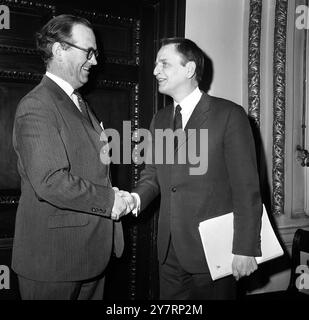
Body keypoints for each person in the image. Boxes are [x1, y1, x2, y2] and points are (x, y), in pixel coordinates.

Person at [116, 38, 263, 300]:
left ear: (189, 69)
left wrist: (245, 247)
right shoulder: (159, 119)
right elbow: (153, 175)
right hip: (169, 252)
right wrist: (133, 199)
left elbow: (246, 188)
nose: (154, 71)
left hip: (216, 252)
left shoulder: (229, 115)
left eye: (164, 63)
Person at [11, 14, 129, 300]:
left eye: (96, 53)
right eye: (88, 52)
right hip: (53, 262)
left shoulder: (79, 103)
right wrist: (110, 200)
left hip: (90, 256)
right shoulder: (37, 105)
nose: (95, 61)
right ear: (58, 49)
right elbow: (51, 181)